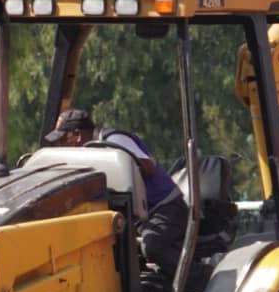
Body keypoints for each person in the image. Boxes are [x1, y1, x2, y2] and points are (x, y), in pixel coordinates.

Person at [43, 107, 190, 278]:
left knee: (153, 246)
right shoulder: (87, 155)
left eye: (62, 140)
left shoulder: (115, 140)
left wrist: (121, 162)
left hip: (166, 208)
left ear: (77, 135)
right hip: (139, 215)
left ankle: (202, 277)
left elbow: (148, 167)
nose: (60, 147)